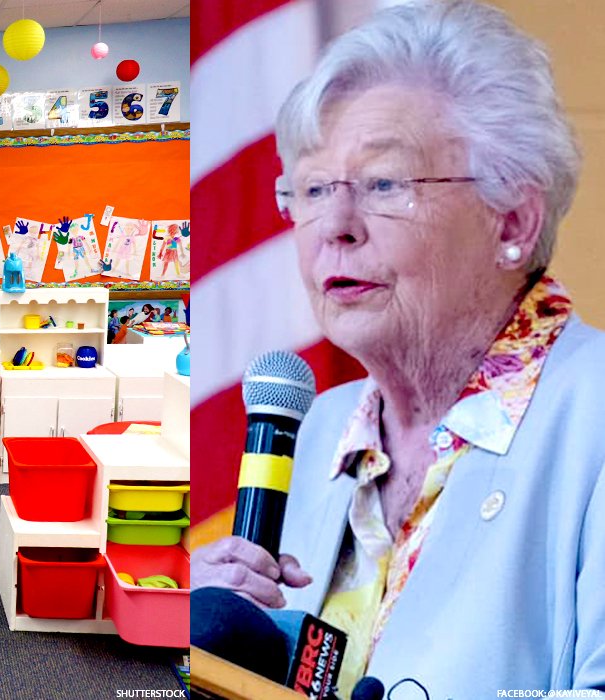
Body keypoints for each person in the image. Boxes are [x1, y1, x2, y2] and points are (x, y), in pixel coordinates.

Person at [190, 1, 603, 696]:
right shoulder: (319, 424)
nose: (334, 227)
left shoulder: (592, 410)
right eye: (313, 189)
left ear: (512, 220)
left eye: (384, 184)